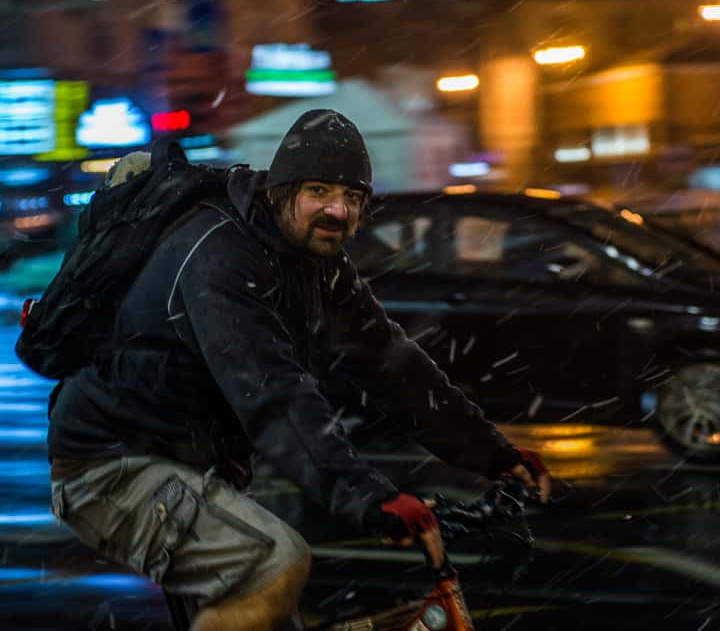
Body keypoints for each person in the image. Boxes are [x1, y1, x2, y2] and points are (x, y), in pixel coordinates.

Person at [46, 109, 551, 631]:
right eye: (319, 191)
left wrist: (491, 453)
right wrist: (370, 497)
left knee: (271, 607)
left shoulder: (316, 261)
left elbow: (391, 364)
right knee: (273, 565)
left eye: (353, 198)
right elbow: (274, 394)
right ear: (282, 190)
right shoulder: (220, 256)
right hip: (112, 465)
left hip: (194, 466)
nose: (338, 210)